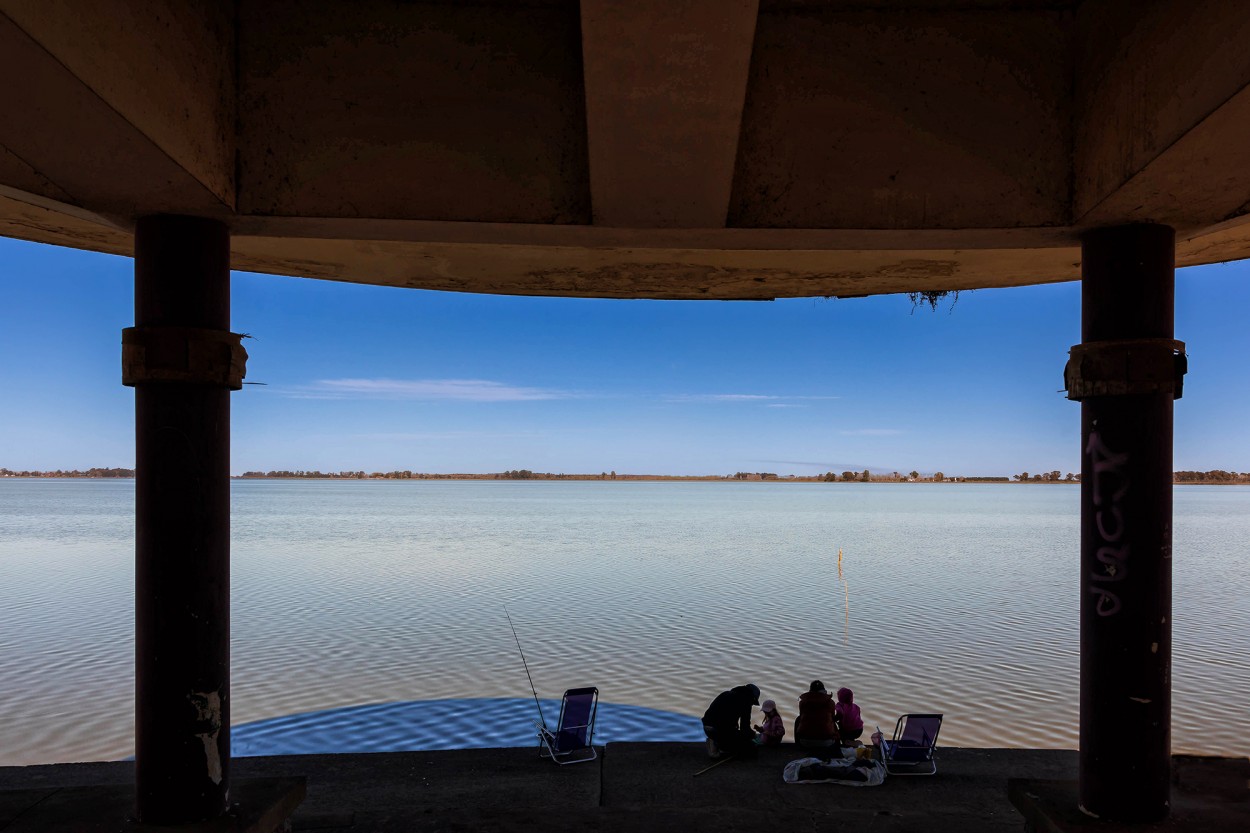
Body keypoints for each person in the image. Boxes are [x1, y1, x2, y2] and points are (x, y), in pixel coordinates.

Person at [701, 683, 760, 758]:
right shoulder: (746, 701)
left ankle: (716, 742)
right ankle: (719, 746)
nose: (752, 704)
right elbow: (745, 729)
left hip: (707, 727)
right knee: (752, 749)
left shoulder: (726, 694)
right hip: (719, 731)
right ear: (752, 697)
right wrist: (753, 735)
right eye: (753, 702)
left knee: (733, 734)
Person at [793, 679, 838, 749]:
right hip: (826, 743)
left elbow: (802, 717)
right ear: (823, 690)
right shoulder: (830, 702)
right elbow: (833, 717)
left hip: (805, 742)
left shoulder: (803, 702)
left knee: (798, 719)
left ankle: (798, 746)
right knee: (832, 720)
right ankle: (837, 746)